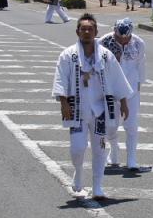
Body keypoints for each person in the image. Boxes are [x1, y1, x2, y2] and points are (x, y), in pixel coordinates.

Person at [52, 14, 132, 199]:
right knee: (77, 149)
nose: (87, 32)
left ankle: (98, 186)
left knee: (100, 148)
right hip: (77, 110)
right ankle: (78, 171)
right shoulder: (68, 55)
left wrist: (124, 103)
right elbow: (61, 79)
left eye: (90, 29)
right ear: (77, 31)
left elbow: (118, 79)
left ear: (96, 32)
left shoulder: (105, 55)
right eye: (83, 29)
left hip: (101, 111)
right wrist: (63, 103)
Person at [101, 18, 147, 171]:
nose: (122, 40)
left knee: (131, 125)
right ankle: (114, 149)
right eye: (119, 37)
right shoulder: (104, 42)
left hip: (131, 90)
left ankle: (131, 159)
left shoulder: (138, 43)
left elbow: (141, 65)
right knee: (110, 126)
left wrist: (139, 86)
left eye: (125, 37)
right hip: (110, 91)